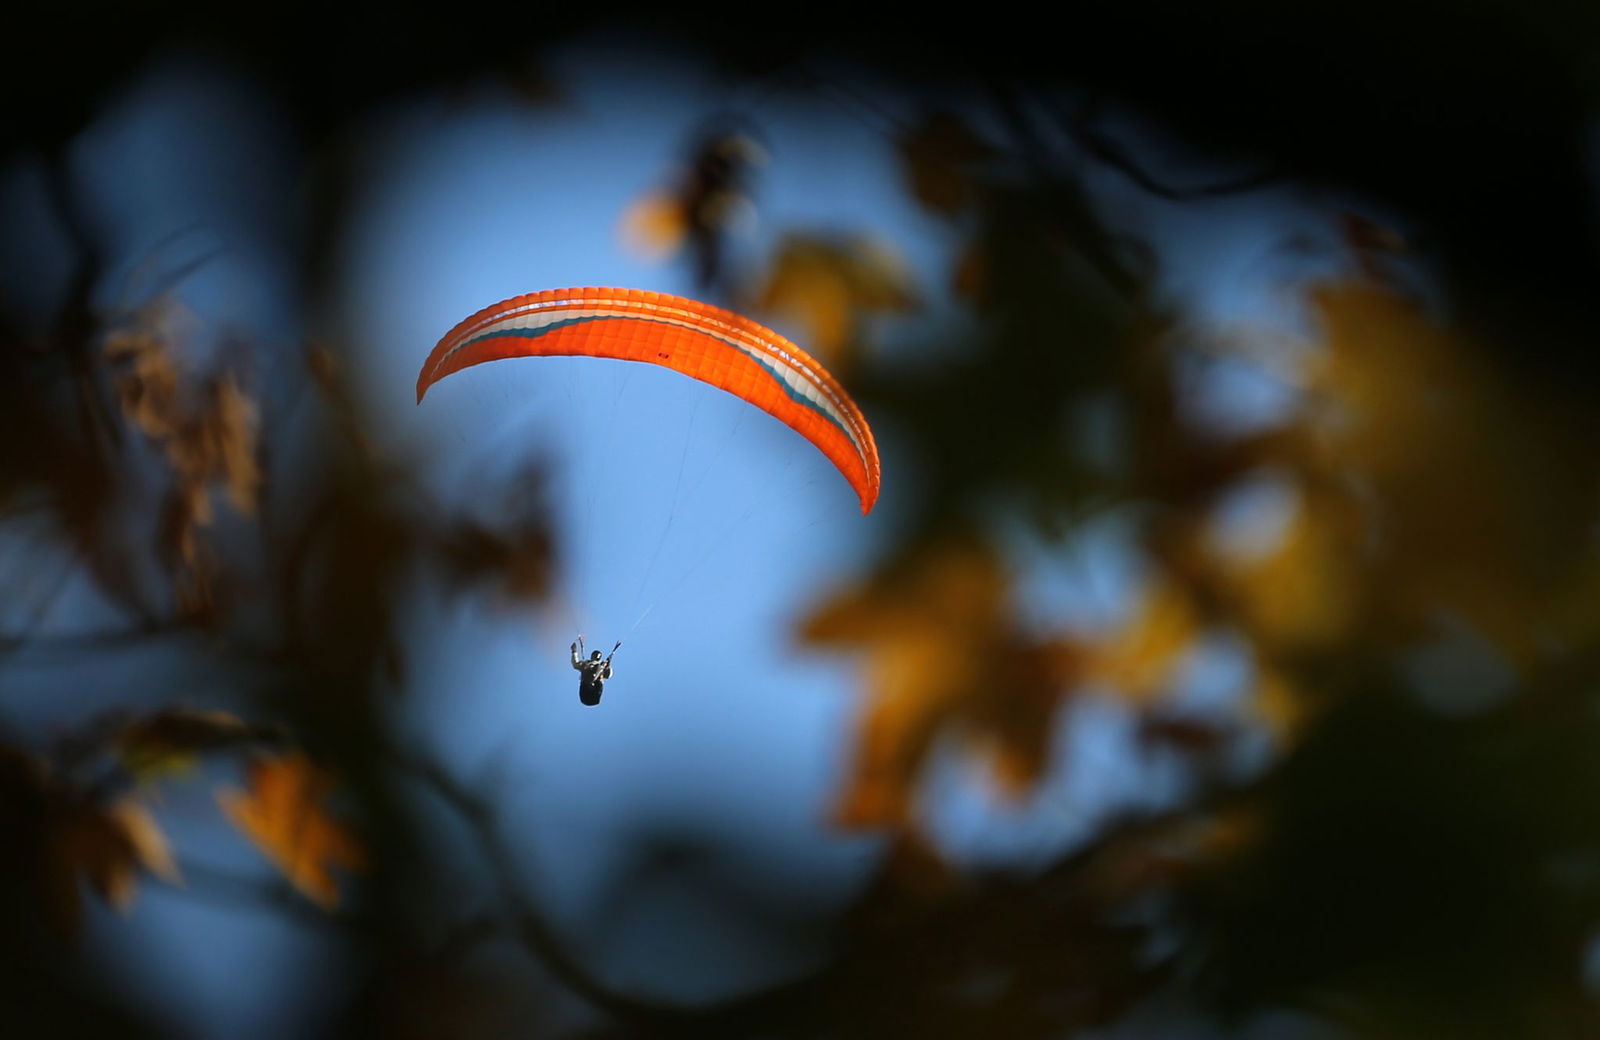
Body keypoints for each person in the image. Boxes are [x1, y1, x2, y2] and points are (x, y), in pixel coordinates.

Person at [571, 636, 618, 706]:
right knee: (596, 671)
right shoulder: (587, 664)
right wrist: (574, 651)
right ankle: (591, 682)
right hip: (589, 693)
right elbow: (576, 664)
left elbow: (608, 674)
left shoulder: (595, 665)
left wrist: (574, 651)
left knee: (596, 670)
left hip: (590, 693)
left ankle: (591, 681)